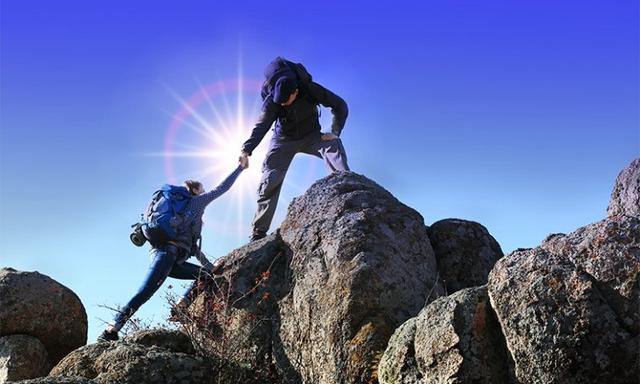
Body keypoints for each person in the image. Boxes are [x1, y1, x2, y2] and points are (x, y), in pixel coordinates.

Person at [98, 160, 247, 342]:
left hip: (169, 257)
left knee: (206, 276)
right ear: (196, 190)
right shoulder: (195, 203)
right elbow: (221, 189)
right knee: (146, 291)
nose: (204, 192)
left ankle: (181, 306)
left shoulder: (182, 211)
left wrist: (210, 266)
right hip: (167, 254)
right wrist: (240, 167)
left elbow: (193, 248)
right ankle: (111, 329)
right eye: (202, 189)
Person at [240, 57, 350, 241]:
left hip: (311, 136)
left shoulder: (310, 90)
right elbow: (261, 126)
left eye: (286, 100)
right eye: (279, 102)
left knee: (333, 145)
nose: (282, 104)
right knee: (270, 179)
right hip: (283, 140)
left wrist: (335, 131)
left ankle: (345, 187)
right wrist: (246, 150)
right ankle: (258, 231)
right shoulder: (272, 101)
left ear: (295, 91)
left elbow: (340, 106)